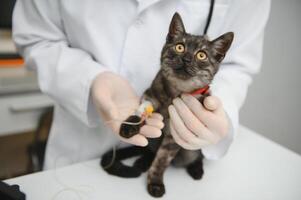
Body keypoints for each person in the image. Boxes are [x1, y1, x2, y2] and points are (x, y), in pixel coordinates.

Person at [13, 0, 270, 170]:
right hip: (80, 148)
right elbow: (36, 37)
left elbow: (238, 64)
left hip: (177, 166)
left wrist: (217, 109)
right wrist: (90, 80)